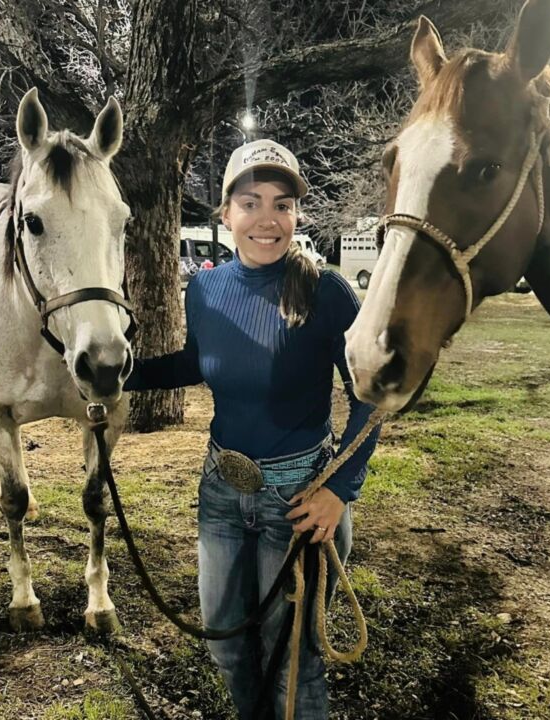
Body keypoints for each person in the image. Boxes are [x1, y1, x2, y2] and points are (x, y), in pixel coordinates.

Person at [125, 138, 379, 719]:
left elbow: (369, 395)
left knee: (294, 660)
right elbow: (196, 364)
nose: (267, 218)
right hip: (221, 492)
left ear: (296, 215)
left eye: (282, 204)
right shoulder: (205, 289)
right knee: (227, 642)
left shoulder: (328, 292)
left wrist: (340, 489)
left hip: (298, 500)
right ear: (225, 214)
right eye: (251, 202)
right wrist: (120, 376)